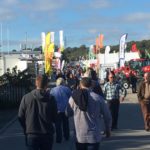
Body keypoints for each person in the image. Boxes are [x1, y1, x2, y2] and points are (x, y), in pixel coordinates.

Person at [66, 77, 112, 150]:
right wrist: (108, 129)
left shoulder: (73, 98)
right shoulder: (98, 98)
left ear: (80, 85)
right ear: (91, 85)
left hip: (79, 135)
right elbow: (107, 116)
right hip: (94, 135)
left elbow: (68, 113)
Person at [18, 75, 57, 150]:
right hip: (47, 133)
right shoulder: (51, 99)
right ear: (46, 85)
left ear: (36, 83)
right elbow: (55, 118)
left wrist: (26, 127)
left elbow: (20, 116)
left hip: (32, 133)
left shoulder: (26, 97)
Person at [50, 77, 72, 143]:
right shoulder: (67, 89)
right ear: (63, 82)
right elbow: (71, 98)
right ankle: (67, 136)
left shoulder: (53, 90)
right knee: (66, 123)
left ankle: (58, 138)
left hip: (57, 110)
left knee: (58, 125)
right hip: (65, 109)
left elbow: (51, 100)